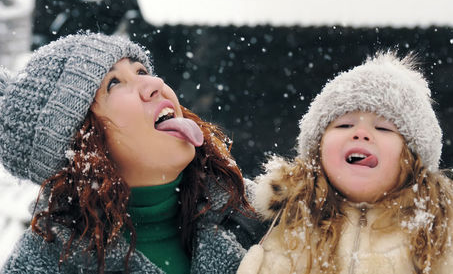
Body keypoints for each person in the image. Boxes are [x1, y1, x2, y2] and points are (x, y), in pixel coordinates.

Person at [0, 33, 264, 274]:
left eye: (141, 70)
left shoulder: (264, 216)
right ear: (80, 143)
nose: (155, 82)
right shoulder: (40, 268)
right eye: (114, 83)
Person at [237, 51, 453, 274]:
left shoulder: (448, 240)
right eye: (344, 124)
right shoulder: (286, 228)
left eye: (384, 128)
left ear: (414, 161)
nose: (361, 133)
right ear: (317, 151)